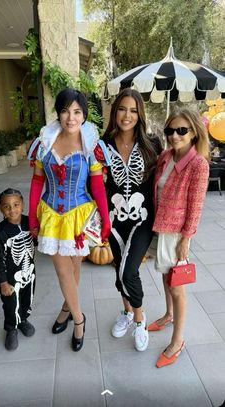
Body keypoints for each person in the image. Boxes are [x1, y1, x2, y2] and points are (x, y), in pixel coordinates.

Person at [28, 87, 110, 352]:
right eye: (65, 111)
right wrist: (32, 218)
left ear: (84, 115)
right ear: (59, 113)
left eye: (76, 112)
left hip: (79, 216)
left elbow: (97, 186)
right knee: (63, 271)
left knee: (74, 269)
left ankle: (66, 307)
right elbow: (37, 182)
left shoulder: (91, 145)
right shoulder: (44, 142)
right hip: (52, 215)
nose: (70, 117)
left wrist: (105, 219)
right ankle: (79, 319)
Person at [148, 107, 210, 368]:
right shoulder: (166, 155)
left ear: (194, 132)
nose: (175, 135)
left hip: (176, 233)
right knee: (165, 275)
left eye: (182, 130)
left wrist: (186, 238)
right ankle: (168, 315)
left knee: (177, 286)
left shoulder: (198, 164)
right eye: (170, 130)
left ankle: (177, 341)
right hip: (160, 225)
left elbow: (196, 206)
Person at [102, 88, 159, 352]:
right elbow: (97, 182)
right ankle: (126, 311)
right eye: (122, 109)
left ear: (140, 114)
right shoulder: (104, 144)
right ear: (115, 112)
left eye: (133, 110)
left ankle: (139, 319)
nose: (127, 115)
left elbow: (163, 182)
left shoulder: (152, 144)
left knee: (128, 270)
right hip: (114, 219)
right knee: (118, 268)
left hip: (143, 218)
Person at [0, 188, 36, 351]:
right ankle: (11, 328)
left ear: (23, 205)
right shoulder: (0, 233)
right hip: (10, 279)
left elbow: (36, 242)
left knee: (27, 299)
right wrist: (3, 282)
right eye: (7, 206)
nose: (12, 210)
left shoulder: (29, 222)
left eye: (16, 205)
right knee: (10, 305)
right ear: (0, 209)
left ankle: (23, 319)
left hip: (30, 272)